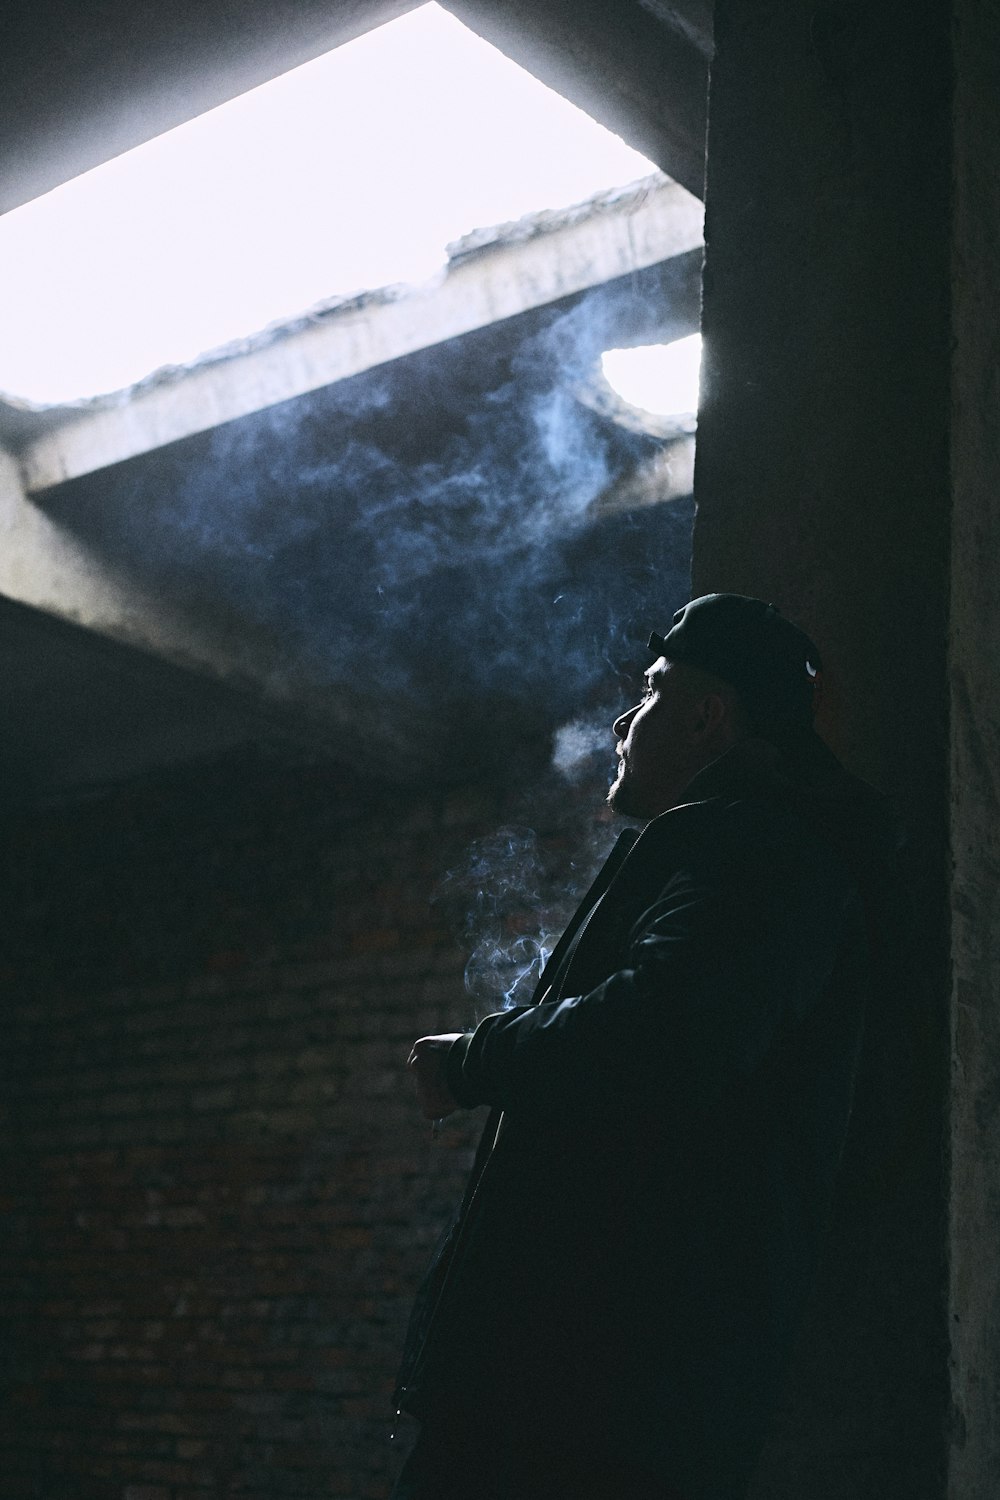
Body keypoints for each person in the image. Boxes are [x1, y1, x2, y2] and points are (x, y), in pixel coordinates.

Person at [394, 593, 897, 1500]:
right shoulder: (740, 849)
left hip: (593, 1390)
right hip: (588, 1383)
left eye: (654, 690)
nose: (625, 720)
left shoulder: (755, 851)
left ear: (710, 718)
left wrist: (474, 1061)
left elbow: (661, 1030)